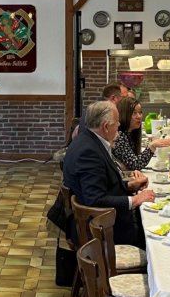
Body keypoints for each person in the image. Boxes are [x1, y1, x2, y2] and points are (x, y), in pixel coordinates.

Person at [62, 100, 154, 248]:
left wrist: (129, 185)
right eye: (116, 122)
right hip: (102, 231)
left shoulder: (89, 140)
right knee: (152, 234)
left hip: (104, 223)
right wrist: (135, 200)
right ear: (105, 127)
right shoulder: (89, 153)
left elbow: (102, 183)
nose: (119, 125)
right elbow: (96, 200)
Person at [112, 96, 170, 171]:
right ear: (124, 114)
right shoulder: (119, 136)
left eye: (140, 112)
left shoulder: (130, 133)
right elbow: (135, 165)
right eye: (134, 113)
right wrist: (152, 146)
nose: (139, 116)